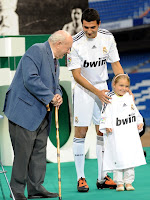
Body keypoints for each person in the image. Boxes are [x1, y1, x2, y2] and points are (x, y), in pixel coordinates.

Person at [3, 30, 73, 200]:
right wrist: (50, 96)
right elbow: (31, 79)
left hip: (42, 112)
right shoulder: (36, 50)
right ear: (58, 44)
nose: (68, 52)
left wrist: (57, 95)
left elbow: (55, 84)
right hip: (24, 113)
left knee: (39, 152)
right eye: (68, 48)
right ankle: (16, 191)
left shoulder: (55, 60)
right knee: (23, 153)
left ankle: (35, 188)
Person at [67, 8, 124, 192]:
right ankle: (81, 178)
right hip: (84, 89)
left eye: (92, 27)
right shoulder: (74, 43)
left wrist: (123, 86)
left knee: (103, 131)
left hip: (103, 87)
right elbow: (76, 75)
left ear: (99, 24)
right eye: (85, 27)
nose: (89, 31)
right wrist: (97, 93)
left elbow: (115, 64)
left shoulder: (107, 37)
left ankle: (102, 177)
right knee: (81, 132)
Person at [100, 74, 146, 191]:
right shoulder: (109, 98)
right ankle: (119, 182)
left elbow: (134, 111)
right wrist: (107, 125)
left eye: (126, 86)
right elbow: (105, 114)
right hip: (116, 134)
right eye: (121, 85)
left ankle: (129, 182)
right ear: (114, 85)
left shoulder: (128, 97)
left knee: (130, 157)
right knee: (118, 156)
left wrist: (139, 122)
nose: (124, 88)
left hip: (129, 134)